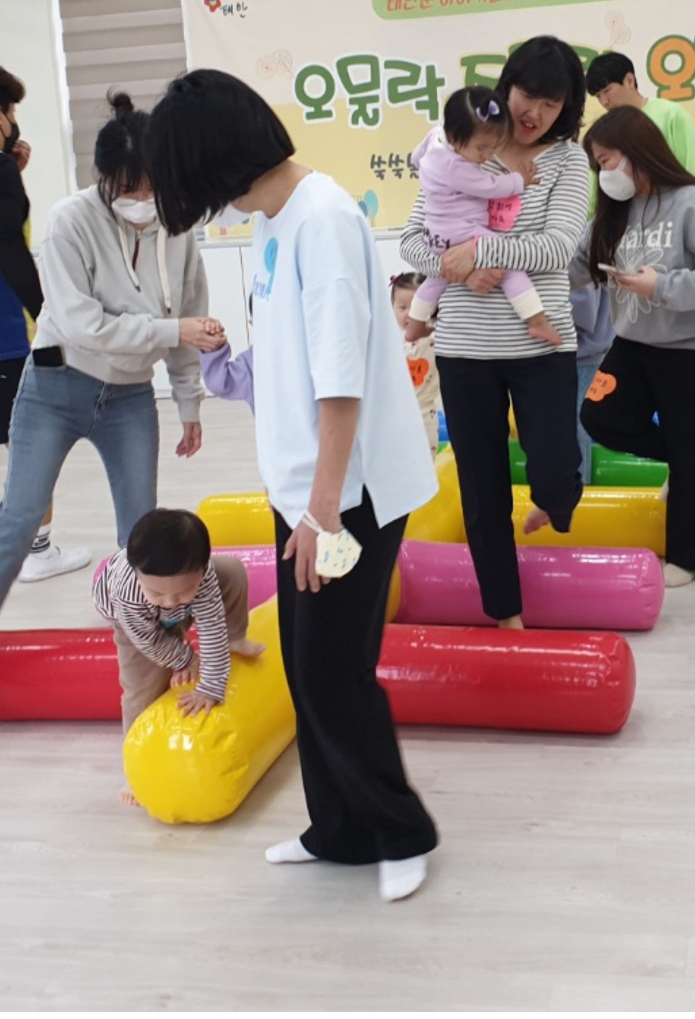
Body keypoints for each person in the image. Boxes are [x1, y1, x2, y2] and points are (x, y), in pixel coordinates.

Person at [148, 67, 438, 903]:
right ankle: (337, 829)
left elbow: (340, 387)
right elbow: (288, 365)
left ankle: (400, 832)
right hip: (306, 492)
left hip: (348, 496)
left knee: (334, 672)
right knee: (309, 671)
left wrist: (323, 514)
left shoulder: (325, 220)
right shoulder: (274, 223)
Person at [0, 91, 223, 627]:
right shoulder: (69, 221)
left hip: (130, 398)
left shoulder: (178, 226)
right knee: (18, 522)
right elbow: (82, 325)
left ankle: (157, 639)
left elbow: (191, 316)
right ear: (103, 178)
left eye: (151, 187)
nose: (141, 200)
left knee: (142, 532)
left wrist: (189, 401)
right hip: (55, 388)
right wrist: (174, 329)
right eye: (127, 189)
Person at [400, 36, 591, 629]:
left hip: (541, 345)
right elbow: (412, 241)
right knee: (482, 491)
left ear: (567, 109)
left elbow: (557, 247)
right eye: (527, 96)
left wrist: (481, 250)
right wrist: (457, 265)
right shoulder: (461, 147)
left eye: (551, 104)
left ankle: (555, 501)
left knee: (555, 468)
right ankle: (505, 610)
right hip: (464, 351)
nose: (535, 112)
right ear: (505, 90)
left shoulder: (568, 161)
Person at [573, 108, 695, 586]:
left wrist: (660, 286)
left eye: (607, 161)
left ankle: (688, 557)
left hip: (687, 350)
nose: (603, 174)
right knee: (598, 416)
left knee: (691, 452)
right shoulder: (611, 214)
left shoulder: (691, 203)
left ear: (637, 153)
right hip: (629, 344)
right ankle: (689, 463)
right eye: (598, 165)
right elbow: (576, 264)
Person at [0, 62, 86, 582]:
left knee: (17, 443)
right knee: (33, 446)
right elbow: (9, 250)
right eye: (10, 111)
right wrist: (48, 313)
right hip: (7, 335)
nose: (13, 122)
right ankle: (35, 551)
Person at [92, 508, 262, 806]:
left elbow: (211, 627)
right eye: (158, 593)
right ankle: (134, 767)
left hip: (178, 607)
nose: (170, 600)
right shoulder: (129, 592)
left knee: (233, 571)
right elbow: (149, 641)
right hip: (135, 627)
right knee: (140, 691)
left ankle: (237, 637)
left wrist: (210, 687)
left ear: (202, 569)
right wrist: (185, 659)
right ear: (137, 574)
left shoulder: (203, 579)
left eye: (184, 590)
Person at [402, 87, 557, 347]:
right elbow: (490, 186)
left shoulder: (436, 136)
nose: (487, 156)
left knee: (436, 280)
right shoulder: (455, 166)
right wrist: (520, 180)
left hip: (435, 234)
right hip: (461, 232)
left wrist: (429, 173)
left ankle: (415, 327)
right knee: (509, 263)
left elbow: (417, 157)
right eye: (481, 148)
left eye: (493, 147)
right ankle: (537, 321)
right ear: (454, 136)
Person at [585, 52, 695, 178]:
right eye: (598, 96)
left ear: (629, 80)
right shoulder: (604, 132)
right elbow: (594, 183)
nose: (604, 102)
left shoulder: (671, 114)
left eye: (607, 91)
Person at [389, 273, 441, 457]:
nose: (409, 313)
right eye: (402, 307)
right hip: (395, 414)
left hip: (424, 413)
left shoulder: (436, 337)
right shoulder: (393, 342)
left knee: (424, 459)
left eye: (416, 306)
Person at [569, 283, 614, 488]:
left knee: (574, 420)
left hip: (581, 351)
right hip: (577, 348)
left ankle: (579, 487)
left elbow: (584, 310)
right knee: (571, 419)